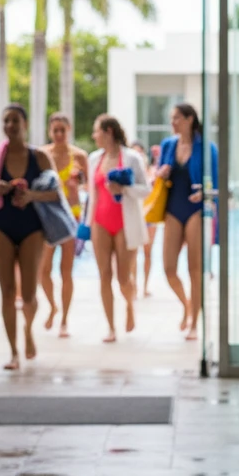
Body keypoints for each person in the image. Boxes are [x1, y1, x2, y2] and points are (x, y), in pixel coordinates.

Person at [0, 104, 60, 371]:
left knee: (30, 294)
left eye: (15, 120)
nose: (10, 125)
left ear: (25, 124)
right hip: (2, 225)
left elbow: (57, 194)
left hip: (32, 226)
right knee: (7, 292)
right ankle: (13, 351)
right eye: (6, 121)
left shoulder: (40, 157)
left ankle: (29, 330)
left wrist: (32, 195)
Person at [83, 114, 151, 343]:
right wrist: (86, 223)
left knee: (123, 277)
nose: (94, 136)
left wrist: (124, 189)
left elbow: (146, 189)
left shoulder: (132, 157)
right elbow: (91, 194)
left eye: (97, 131)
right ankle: (111, 327)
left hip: (125, 221)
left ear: (108, 132)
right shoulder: (94, 159)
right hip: (100, 222)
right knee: (104, 275)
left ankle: (130, 305)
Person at [157, 103, 218, 341]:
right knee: (169, 268)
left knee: (195, 270)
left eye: (177, 118)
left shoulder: (207, 147)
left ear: (190, 119)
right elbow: (158, 176)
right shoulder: (168, 145)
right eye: (172, 118)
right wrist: (160, 172)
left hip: (195, 209)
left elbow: (216, 183)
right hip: (173, 208)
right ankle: (187, 305)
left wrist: (204, 191)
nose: (173, 123)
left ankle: (194, 322)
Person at [39, 112, 88, 338]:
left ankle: (65, 320)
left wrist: (77, 186)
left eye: (62, 130)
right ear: (50, 131)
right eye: (55, 130)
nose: (59, 134)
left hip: (71, 215)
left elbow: (90, 188)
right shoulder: (42, 154)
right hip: (48, 216)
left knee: (65, 271)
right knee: (43, 270)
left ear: (69, 130)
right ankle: (52, 306)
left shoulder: (79, 156)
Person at [130, 141, 156, 298]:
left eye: (140, 152)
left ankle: (145, 286)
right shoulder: (129, 173)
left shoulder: (152, 173)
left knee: (147, 252)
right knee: (133, 252)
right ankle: (133, 285)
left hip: (149, 216)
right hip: (135, 214)